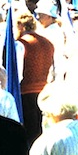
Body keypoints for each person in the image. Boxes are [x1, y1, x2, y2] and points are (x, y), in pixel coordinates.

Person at [17, 11, 55, 146]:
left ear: (21, 26)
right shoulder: (48, 42)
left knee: (28, 133)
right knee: (40, 131)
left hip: (25, 92)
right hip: (43, 91)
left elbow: (18, 72)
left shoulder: (21, 43)